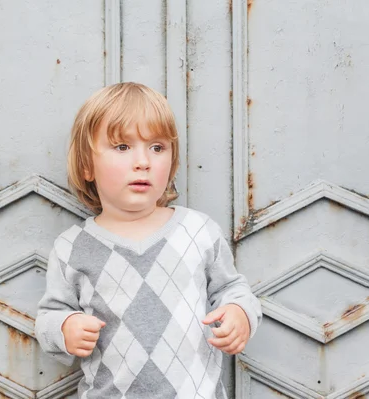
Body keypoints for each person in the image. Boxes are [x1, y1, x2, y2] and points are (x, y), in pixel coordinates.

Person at [35, 82, 262, 398]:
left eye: (157, 148)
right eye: (122, 147)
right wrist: (64, 328)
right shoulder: (72, 247)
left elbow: (231, 288)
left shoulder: (198, 231)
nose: (143, 161)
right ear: (87, 164)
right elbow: (49, 316)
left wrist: (239, 313)